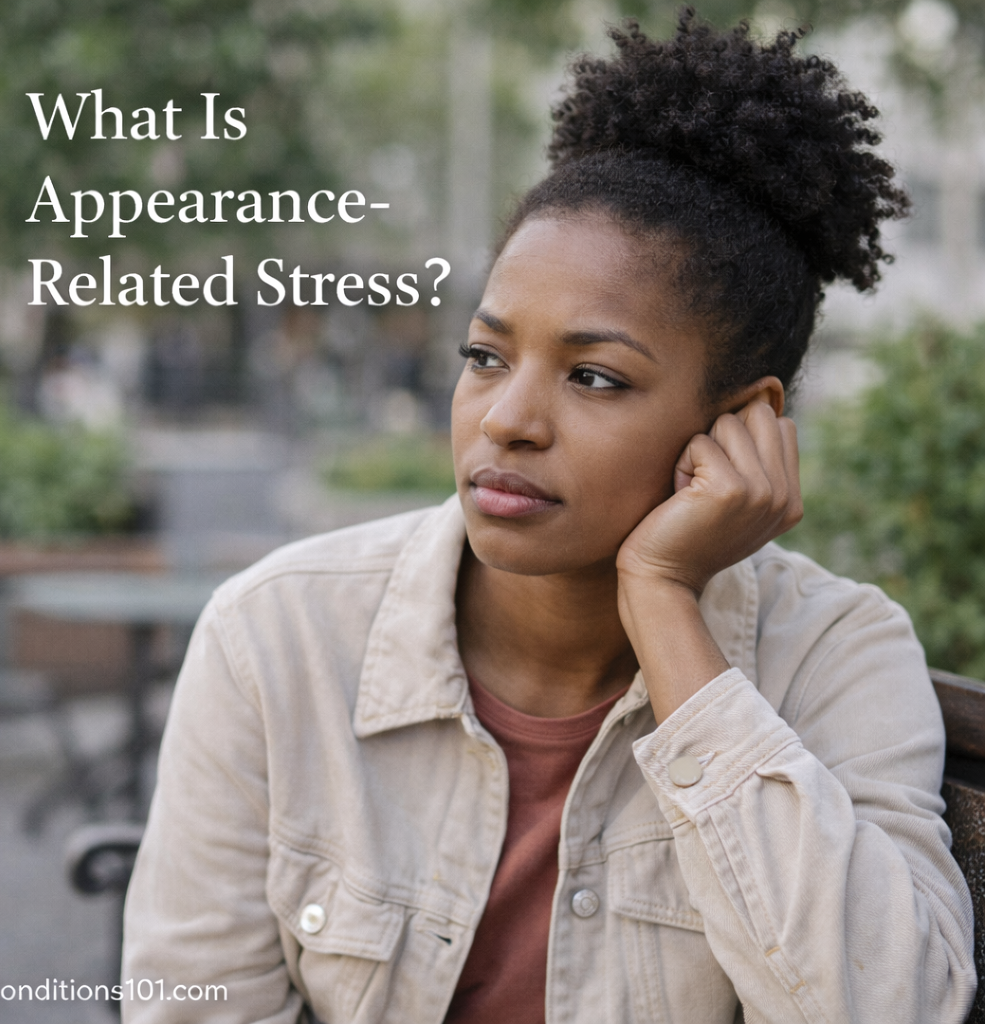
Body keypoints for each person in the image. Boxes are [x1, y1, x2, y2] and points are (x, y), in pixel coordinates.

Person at [122, 13, 976, 1024]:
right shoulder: (277, 638)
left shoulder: (835, 654)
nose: (509, 419)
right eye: (485, 356)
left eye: (594, 376)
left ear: (740, 423)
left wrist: (663, 605)